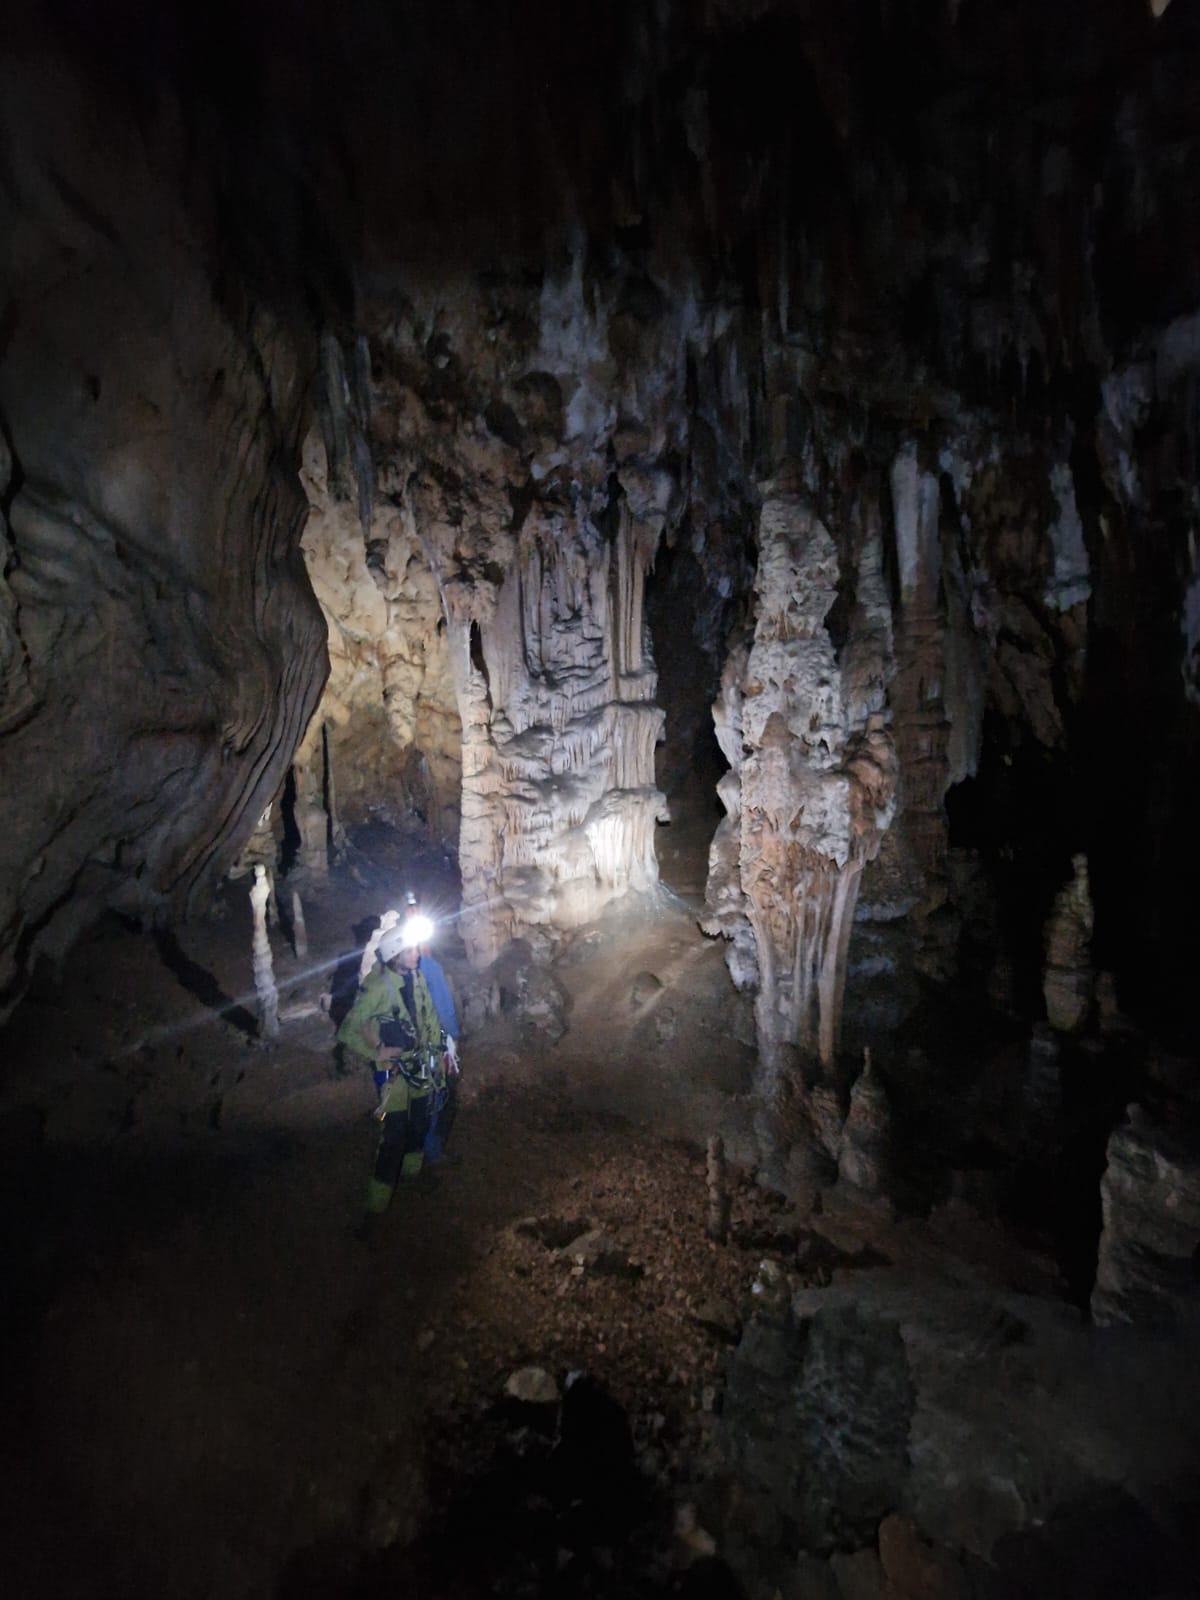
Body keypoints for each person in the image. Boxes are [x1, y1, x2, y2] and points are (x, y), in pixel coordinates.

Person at [337, 916, 459, 1228]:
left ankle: (411, 1177)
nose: (417, 954)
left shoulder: (417, 979)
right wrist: (376, 1052)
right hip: (393, 1074)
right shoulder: (377, 987)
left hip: (421, 1066)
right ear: (395, 955)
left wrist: (438, 1057)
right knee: (392, 1137)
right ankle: (376, 1207)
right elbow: (348, 1030)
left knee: (418, 1125)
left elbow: (429, 1019)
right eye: (410, 951)